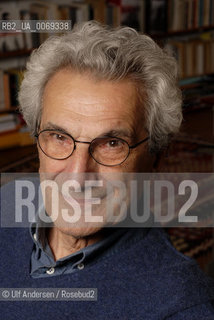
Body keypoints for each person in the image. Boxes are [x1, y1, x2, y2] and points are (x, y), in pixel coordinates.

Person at [1, 21, 214, 319]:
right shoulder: (8, 202)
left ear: (156, 158)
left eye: (112, 143)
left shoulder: (180, 306)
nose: (78, 176)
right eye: (60, 137)